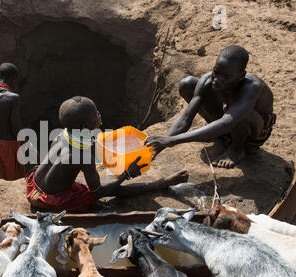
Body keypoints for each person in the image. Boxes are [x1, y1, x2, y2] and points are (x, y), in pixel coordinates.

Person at [25, 96, 189, 213]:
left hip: (34, 184)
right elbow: (99, 193)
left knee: (98, 182)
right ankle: (161, 184)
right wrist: (127, 173)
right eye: (96, 113)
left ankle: (158, 183)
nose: (99, 114)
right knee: (113, 188)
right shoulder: (82, 156)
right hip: (50, 200)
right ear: (84, 125)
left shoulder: (61, 136)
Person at [145, 45, 275, 169]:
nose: (217, 79)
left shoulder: (252, 87)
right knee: (188, 84)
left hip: (254, 132)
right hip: (228, 121)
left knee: (239, 112)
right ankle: (218, 136)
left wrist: (172, 140)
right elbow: (186, 119)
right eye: (216, 72)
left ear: (241, 75)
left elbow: (227, 123)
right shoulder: (209, 80)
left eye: (226, 76)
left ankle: (236, 149)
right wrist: (159, 146)